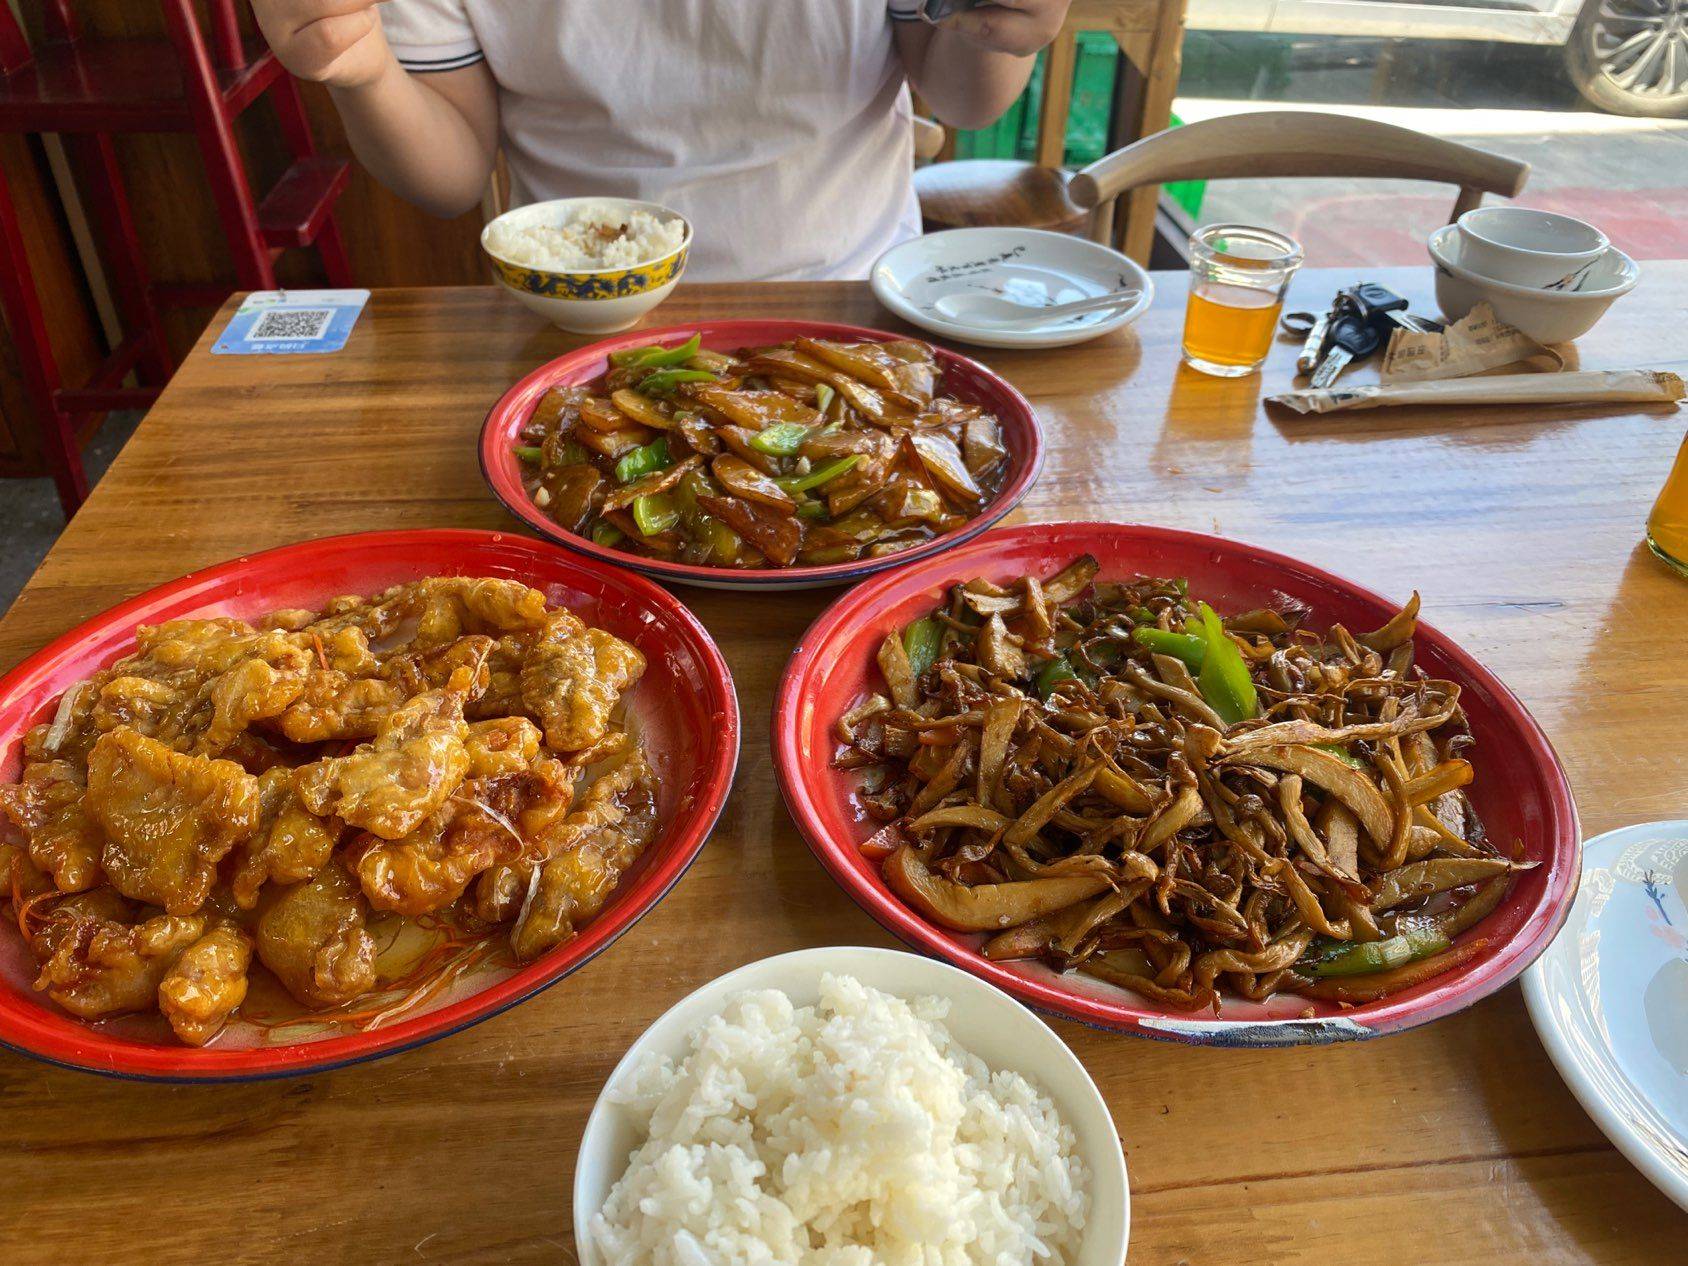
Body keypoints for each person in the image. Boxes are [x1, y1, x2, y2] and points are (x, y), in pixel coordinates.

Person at [253, 1, 1075, 280]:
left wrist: (1004, 30)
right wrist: (363, 72)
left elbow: (963, 98)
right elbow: (452, 174)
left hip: (852, 291)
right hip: (584, 318)